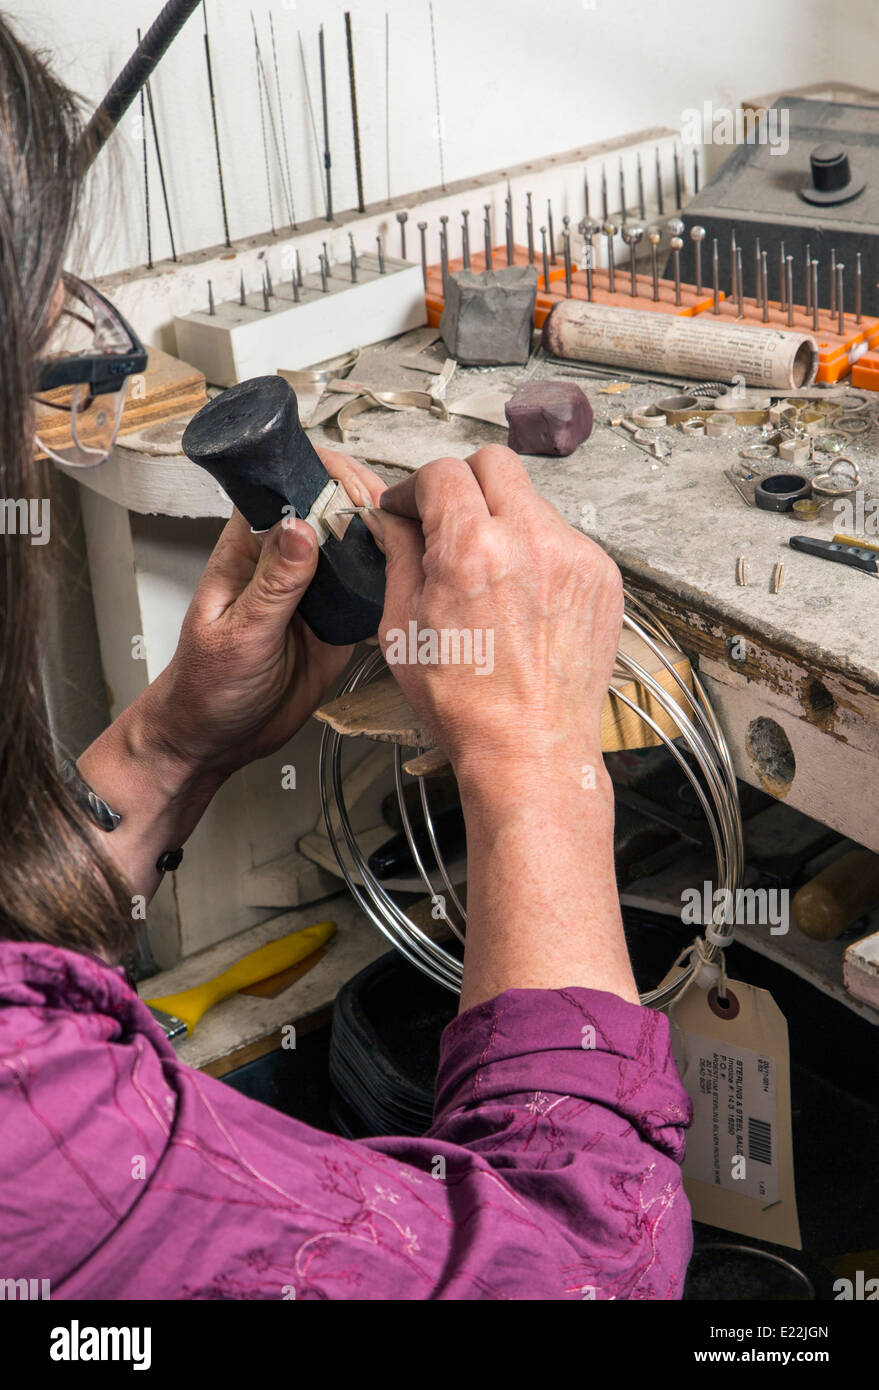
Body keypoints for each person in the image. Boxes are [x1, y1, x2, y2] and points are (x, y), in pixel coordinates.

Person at [0, 19, 692, 1299]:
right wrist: (536, 758)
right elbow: (578, 1274)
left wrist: (168, 749)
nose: (32, 453)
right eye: (34, 380)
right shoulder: (45, 1146)